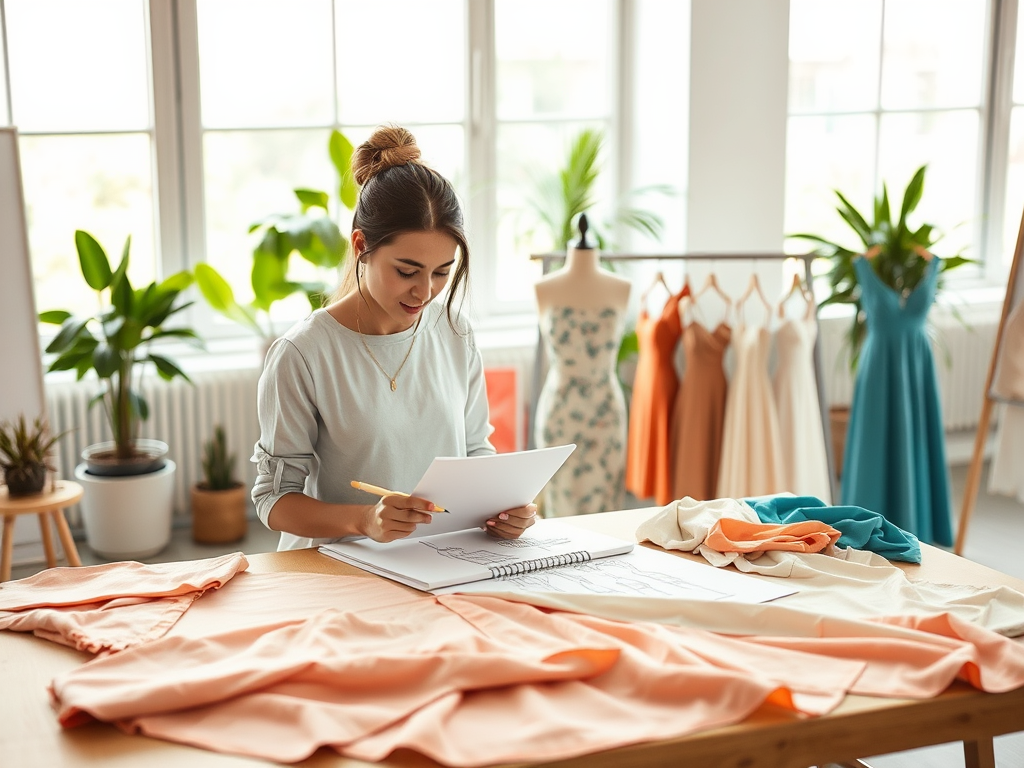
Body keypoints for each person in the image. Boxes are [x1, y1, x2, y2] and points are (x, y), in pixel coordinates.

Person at [251, 125, 537, 551]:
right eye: (406, 271)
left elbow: (476, 451)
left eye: (442, 272)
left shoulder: (456, 333)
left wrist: (504, 509)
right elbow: (273, 500)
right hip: (337, 569)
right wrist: (365, 520)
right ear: (362, 245)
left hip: (437, 561)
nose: (424, 292)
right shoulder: (302, 354)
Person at [533, 214, 631, 516]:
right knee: (559, 499)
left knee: (606, 506)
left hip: (605, 411)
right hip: (560, 411)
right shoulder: (544, 287)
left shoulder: (622, 287)